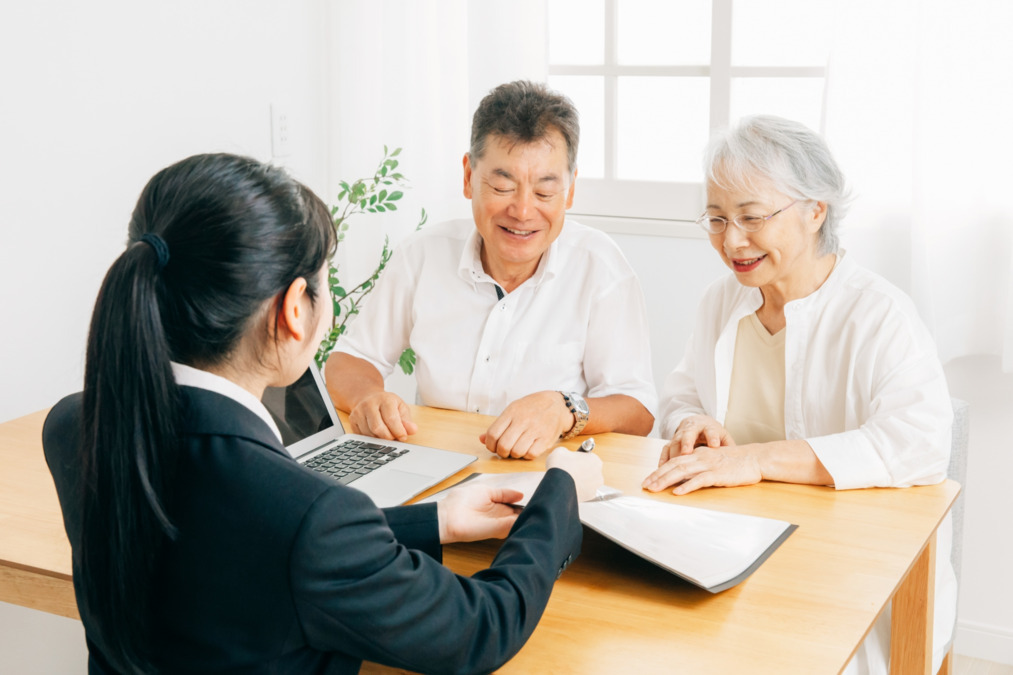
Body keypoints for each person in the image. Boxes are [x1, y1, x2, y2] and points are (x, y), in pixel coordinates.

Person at [42, 153, 603, 675]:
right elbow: (479, 628)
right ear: (292, 310)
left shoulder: (75, 426)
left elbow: (246, 546)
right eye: (325, 282)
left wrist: (436, 519)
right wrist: (560, 494)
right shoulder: (308, 512)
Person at [641, 115, 955, 674]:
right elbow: (679, 393)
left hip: (850, 567)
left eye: (752, 217)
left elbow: (922, 444)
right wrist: (691, 422)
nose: (731, 240)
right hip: (734, 546)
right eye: (716, 218)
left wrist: (755, 460)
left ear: (816, 211)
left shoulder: (879, 314)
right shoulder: (721, 301)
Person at [326, 80, 656, 459]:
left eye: (545, 192)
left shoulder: (600, 268)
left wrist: (564, 409)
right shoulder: (422, 255)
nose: (523, 211)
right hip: (434, 471)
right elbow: (350, 360)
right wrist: (370, 398)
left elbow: (638, 410)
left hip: (544, 485)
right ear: (468, 177)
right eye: (502, 187)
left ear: (570, 190)